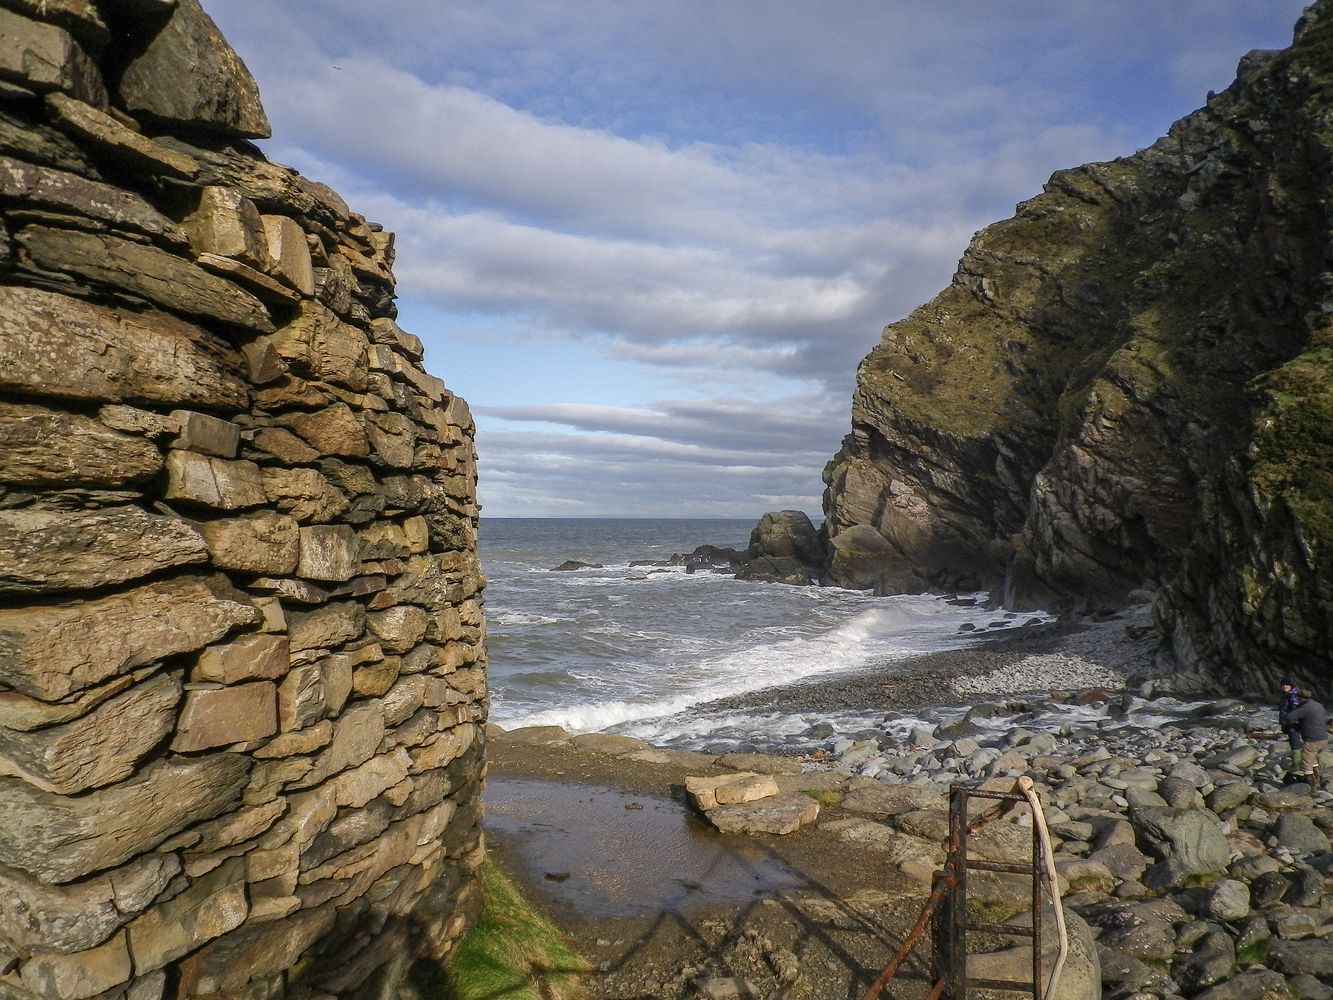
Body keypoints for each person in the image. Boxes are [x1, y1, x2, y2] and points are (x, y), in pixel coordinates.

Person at [1286, 690, 1329, 788]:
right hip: (1324, 739)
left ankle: (1313, 789)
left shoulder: (1304, 708)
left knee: (1306, 765)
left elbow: (1289, 717)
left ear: (1300, 698)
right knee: (1313, 759)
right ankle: (1317, 781)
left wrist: (1295, 725)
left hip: (1312, 740)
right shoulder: (1319, 705)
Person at [1279, 676, 1304, 773]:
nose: (1285, 686)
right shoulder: (1288, 694)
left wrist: (1292, 722)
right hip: (1289, 723)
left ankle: (1297, 765)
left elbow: (1296, 710)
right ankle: (1297, 762)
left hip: (1293, 724)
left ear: (1291, 685)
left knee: (1295, 743)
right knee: (1293, 742)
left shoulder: (1293, 695)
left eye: (1287, 685)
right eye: (1283, 685)